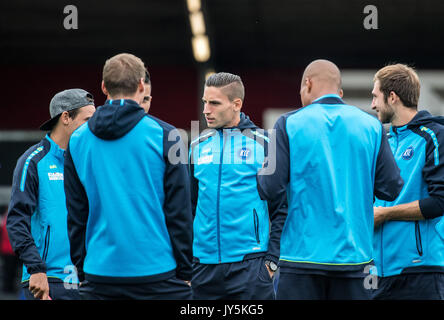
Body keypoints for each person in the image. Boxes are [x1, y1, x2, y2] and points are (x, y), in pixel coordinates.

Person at [257, 59, 404, 300]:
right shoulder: (372, 126)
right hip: (356, 261)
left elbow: (270, 187)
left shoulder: (288, 123)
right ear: (340, 93)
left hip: (300, 260)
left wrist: (263, 172)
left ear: (308, 83)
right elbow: (392, 188)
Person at [64, 53, 193, 300]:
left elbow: (76, 214)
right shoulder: (168, 136)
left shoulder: (77, 141)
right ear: (141, 86)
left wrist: (83, 270)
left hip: (99, 274)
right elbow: (179, 211)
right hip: (158, 273)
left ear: (103, 87)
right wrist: (185, 269)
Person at [190, 72, 278, 299]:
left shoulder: (266, 144)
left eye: (214, 103)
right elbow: (187, 207)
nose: (206, 110)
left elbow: (283, 207)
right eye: (204, 102)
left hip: (250, 266)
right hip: (203, 267)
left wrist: (272, 262)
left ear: (236, 104)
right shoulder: (196, 147)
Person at [7, 89, 96, 300]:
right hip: (48, 281)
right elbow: (17, 220)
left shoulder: (91, 162)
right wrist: (36, 269)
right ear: (66, 117)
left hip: (90, 281)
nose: (93, 128)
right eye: (88, 120)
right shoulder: (33, 161)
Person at [371, 64, 444, 299]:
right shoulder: (379, 139)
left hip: (422, 270)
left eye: (375, 97)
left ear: (392, 97)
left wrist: (385, 214)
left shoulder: (434, 135)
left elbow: (439, 202)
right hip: (378, 272)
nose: (372, 105)